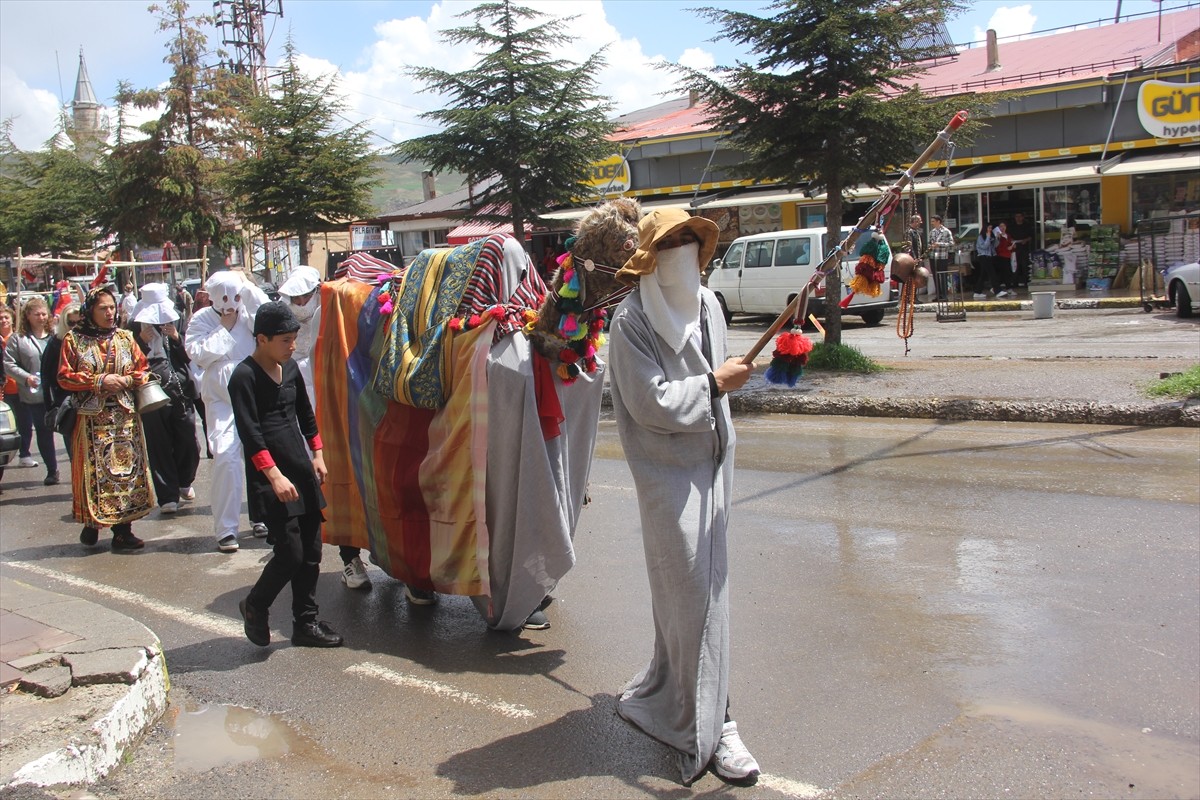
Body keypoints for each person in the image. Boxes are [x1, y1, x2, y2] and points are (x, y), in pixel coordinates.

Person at [607, 208, 759, 786]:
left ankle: (706, 709)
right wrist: (714, 384)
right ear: (651, 254)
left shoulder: (710, 305)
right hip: (666, 473)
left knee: (705, 593)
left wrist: (724, 385)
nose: (684, 248)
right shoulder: (631, 322)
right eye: (671, 240)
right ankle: (709, 722)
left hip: (717, 464)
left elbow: (721, 379)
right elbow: (649, 403)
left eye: (691, 240)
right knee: (690, 590)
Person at [232, 301, 342, 649]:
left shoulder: (291, 368)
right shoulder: (244, 377)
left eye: (295, 338)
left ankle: (305, 624)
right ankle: (256, 604)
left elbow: (305, 415)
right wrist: (274, 476)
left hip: (300, 468)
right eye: (285, 340)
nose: (293, 346)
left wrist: (318, 453)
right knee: (289, 553)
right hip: (271, 476)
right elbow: (251, 433)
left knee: (311, 552)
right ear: (262, 339)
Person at [276, 265, 376, 593]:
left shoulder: (338, 310)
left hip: (347, 407)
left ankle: (378, 551)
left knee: (364, 479)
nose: (298, 301)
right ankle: (349, 557)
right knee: (329, 487)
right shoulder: (286, 323)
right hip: (308, 415)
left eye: (303, 295)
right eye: (293, 297)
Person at [58, 287, 156, 551]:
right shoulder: (73, 340)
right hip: (92, 420)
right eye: (103, 308)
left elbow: (143, 369)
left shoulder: (125, 338)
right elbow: (64, 377)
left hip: (124, 418)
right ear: (91, 310)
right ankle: (91, 522)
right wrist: (98, 381)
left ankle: (123, 531)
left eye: (112, 307)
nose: (110, 312)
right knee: (95, 474)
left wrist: (125, 380)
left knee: (125, 473)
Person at [184, 271, 269, 552]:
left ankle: (263, 515)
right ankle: (226, 528)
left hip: (252, 390)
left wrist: (246, 290)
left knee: (260, 451)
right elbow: (197, 353)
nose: (230, 303)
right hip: (219, 395)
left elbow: (267, 317)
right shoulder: (201, 320)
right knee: (226, 455)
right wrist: (223, 328)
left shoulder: (247, 314)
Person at [131, 283, 200, 515]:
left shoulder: (177, 319)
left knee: (188, 436)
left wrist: (177, 338)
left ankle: (184, 480)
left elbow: (190, 354)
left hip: (178, 385)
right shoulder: (132, 326)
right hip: (149, 385)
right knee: (158, 442)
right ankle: (167, 494)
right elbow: (127, 359)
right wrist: (140, 341)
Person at [4, 296, 59, 484]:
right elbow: (8, 364)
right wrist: (25, 377)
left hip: (58, 391)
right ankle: (52, 470)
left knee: (68, 429)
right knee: (44, 432)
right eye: (37, 314)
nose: (41, 317)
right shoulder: (18, 339)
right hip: (35, 394)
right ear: (27, 316)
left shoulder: (56, 335)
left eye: (44, 314)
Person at [41, 303, 83, 456]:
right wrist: (50, 406)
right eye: (71, 323)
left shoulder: (89, 341)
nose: (75, 326)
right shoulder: (55, 343)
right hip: (67, 403)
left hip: (89, 401)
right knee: (74, 451)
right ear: (65, 323)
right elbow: (45, 377)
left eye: (79, 322)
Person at [928, 214, 954, 302]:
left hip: (942, 257)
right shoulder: (932, 232)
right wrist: (930, 246)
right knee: (935, 276)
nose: (932, 223)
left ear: (938, 221)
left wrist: (939, 244)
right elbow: (929, 243)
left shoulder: (946, 232)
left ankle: (944, 295)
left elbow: (951, 244)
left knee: (943, 275)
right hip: (933, 257)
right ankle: (938, 295)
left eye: (933, 221)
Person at [973, 223, 998, 299]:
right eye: (989, 228)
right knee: (992, 273)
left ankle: (977, 291)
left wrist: (997, 238)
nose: (990, 230)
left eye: (991, 228)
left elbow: (994, 246)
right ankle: (997, 290)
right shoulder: (980, 237)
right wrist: (987, 237)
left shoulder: (990, 237)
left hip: (989, 256)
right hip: (983, 256)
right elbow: (984, 246)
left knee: (983, 275)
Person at [1010, 211, 1034, 288]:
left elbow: (1031, 236)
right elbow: (1008, 236)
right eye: (1016, 216)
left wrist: (1026, 240)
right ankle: (1014, 283)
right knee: (1014, 265)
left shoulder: (1027, 226)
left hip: (1024, 248)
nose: (1018, 218)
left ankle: (1026, 283)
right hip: (1014, 249)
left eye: (1020, 216)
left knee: (1025, 266)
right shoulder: (1012, 226)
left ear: (1023, 217)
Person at [995, 221, 1016, 298]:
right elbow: (997, 247)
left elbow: (1010, 244)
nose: (1002, 227)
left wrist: (1012, 247)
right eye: (1001, 226)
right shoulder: (998, 236)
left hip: (1008, 256)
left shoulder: (1008, 236)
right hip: (1001, 256)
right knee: (1005, 273)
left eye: (1004, 226)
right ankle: (1008, 288)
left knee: (1006, 273)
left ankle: (997, 287)